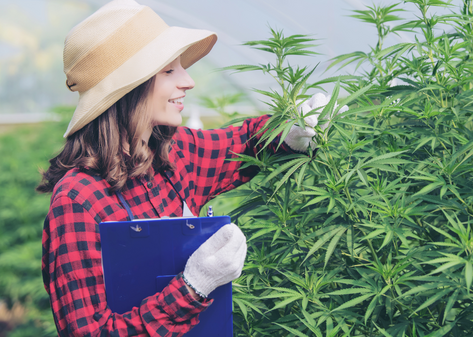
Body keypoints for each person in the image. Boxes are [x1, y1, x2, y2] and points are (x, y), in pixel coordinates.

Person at [36, 1, 329, 336]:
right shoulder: (79, 199)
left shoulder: (174, 153)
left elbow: (245, 142)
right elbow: (88, 332)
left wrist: (287, 132)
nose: (188, 81)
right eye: (170, 70)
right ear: (130, 87)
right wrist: (193, 287)